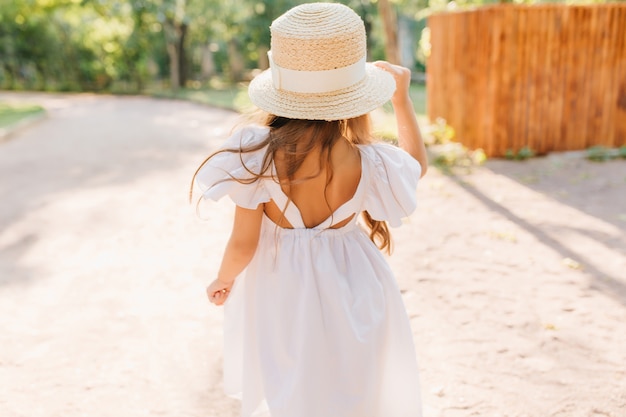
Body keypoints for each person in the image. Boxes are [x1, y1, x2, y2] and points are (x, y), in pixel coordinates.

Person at [190, 3, 428, 417]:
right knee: (356, 385)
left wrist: (223, 279)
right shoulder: (368, 160)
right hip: (358, 284)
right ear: (355, 96)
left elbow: (244, 243)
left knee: (295, 388)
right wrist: (403, 101)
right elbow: (416, 167)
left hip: (284, 287)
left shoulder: (257, 155)